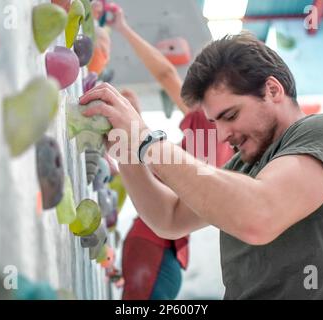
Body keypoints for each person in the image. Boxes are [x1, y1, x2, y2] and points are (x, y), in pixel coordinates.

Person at [79, 32, 323, 299]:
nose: (222, 135)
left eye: (230, 115)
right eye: (214, 122)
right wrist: (128, 152)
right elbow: (168, 218)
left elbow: (259, 216)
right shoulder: (245, 166)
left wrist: (146, 141)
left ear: (272, 89)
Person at [108, 7, 234, 299]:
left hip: (154, 246)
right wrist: (136, 124)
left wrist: (123, 28)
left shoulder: (208, 122)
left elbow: (166, 74)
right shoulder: (232, 154)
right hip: (167, 253)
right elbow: (170, 179)